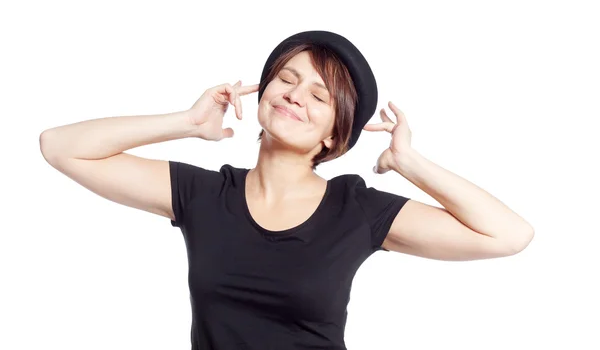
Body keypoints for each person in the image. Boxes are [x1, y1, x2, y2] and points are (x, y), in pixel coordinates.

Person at [40, 30, 534, 350]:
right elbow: (60, 147)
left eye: (319, 96)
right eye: (286, 79)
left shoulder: (355, 211)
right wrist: (188, 122)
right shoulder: (204, 194)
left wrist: (410, 162)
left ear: (334, 135)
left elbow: (508, 235)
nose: (295, 95)